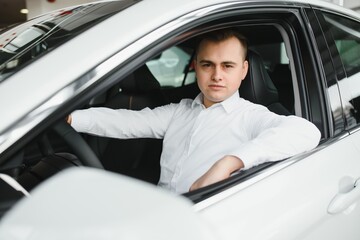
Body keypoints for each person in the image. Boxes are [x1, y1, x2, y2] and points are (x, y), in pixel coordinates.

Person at [67, 29, 321, 194]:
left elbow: (305, 132)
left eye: (227, 66)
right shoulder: (179, 111)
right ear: (196, 67)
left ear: (244, 71)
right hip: (161, 209)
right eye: (207, 64)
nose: (217, 75)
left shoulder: (251, 116)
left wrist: (228, 163)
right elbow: (129, 122)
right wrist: (72, 118)